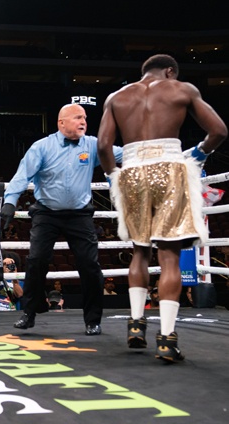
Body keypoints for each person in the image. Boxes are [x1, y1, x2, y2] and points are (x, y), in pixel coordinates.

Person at [97, 54, 228, 362]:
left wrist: (112, 177)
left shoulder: (116, 97)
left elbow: (103, 146)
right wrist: (197, 154)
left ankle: (135, 325)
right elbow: (219, 131)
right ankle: (167, 339)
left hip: (130, 172)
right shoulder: (181, 89)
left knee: (140, 250)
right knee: (169, 256)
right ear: (170, 71)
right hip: (170, 168)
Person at [1, 103, 123, 335]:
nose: (83, 121)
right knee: (36, 260)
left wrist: (155, 147)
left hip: (79, 214)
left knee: (90, 265)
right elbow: (22, 175)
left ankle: (93, 320)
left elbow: (122, 152)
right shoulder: (42, 147)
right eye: (78, 117)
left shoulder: (93, 145)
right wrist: (10, 201)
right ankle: (29, 311)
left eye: (85, 118)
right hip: (47, 212)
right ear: (61, 123)